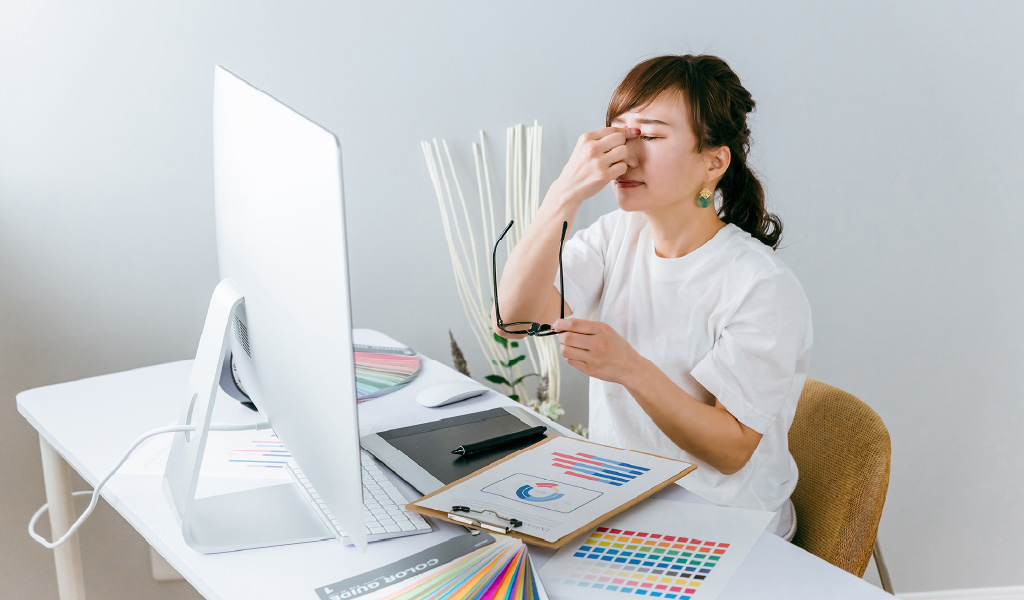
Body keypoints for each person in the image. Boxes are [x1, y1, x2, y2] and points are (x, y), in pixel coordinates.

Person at [493, 54, 812, 539]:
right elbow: (513, 318)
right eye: (620, 134)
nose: (627, 154)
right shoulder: (615, 235)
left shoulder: (761, 284)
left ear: (714, 162)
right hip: (620, 505)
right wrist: (564, 194)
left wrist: (629, 368)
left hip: (725, 528)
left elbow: (731, 451)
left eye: (652, 136)